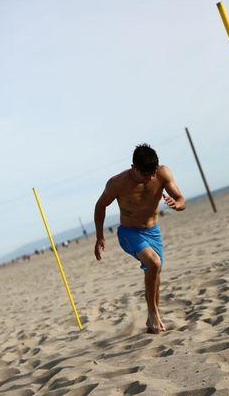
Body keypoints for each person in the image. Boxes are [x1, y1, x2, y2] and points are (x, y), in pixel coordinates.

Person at [94, 143, 185, 334]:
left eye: (152, 173)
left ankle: (153, 320)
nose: (150, 178)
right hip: (129, 233)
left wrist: (177, 204)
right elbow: (100, 206)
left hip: (153, 232)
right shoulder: (117, 183)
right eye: (145, 174)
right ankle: (153, 314)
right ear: (134, 167)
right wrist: (100, 236)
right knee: (153, 263)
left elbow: (181, 199)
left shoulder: (161, 173)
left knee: (155, 274)